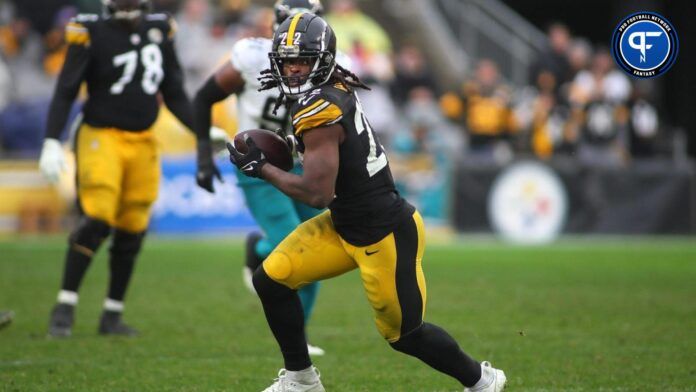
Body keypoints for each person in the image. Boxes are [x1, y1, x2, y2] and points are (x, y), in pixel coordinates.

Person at [226, 13, 507, 392]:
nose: (292, 70)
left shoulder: (319, 109)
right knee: (271, 280)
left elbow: (316, 194)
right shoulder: (330, 89)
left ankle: (481, 381)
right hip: (344, 223)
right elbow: (335, 154)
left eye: (301, 61)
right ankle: (301, 381)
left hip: (382, 233)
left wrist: (262, 168)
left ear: (322, 60)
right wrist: (293, 147)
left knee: (406, 336)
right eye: (287, 61)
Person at [40, 0, 217, 337]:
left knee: (134, 226)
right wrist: (51, 139)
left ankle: (112, 314)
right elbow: (66, 89)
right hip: (101, 135)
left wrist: (202, 131)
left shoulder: (160, 29)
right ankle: (64, 306)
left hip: (143, 139)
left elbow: (174, 92)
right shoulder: (89, 30)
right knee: (98, 216)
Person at [192, 0, 327, 356]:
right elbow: (204, 96)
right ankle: (262, 250)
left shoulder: (326, 67)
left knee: (320, 247)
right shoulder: (252, 58)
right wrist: (204, 155)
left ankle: (299, 332)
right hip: (258, 164)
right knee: (295, 247)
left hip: (301, 164)